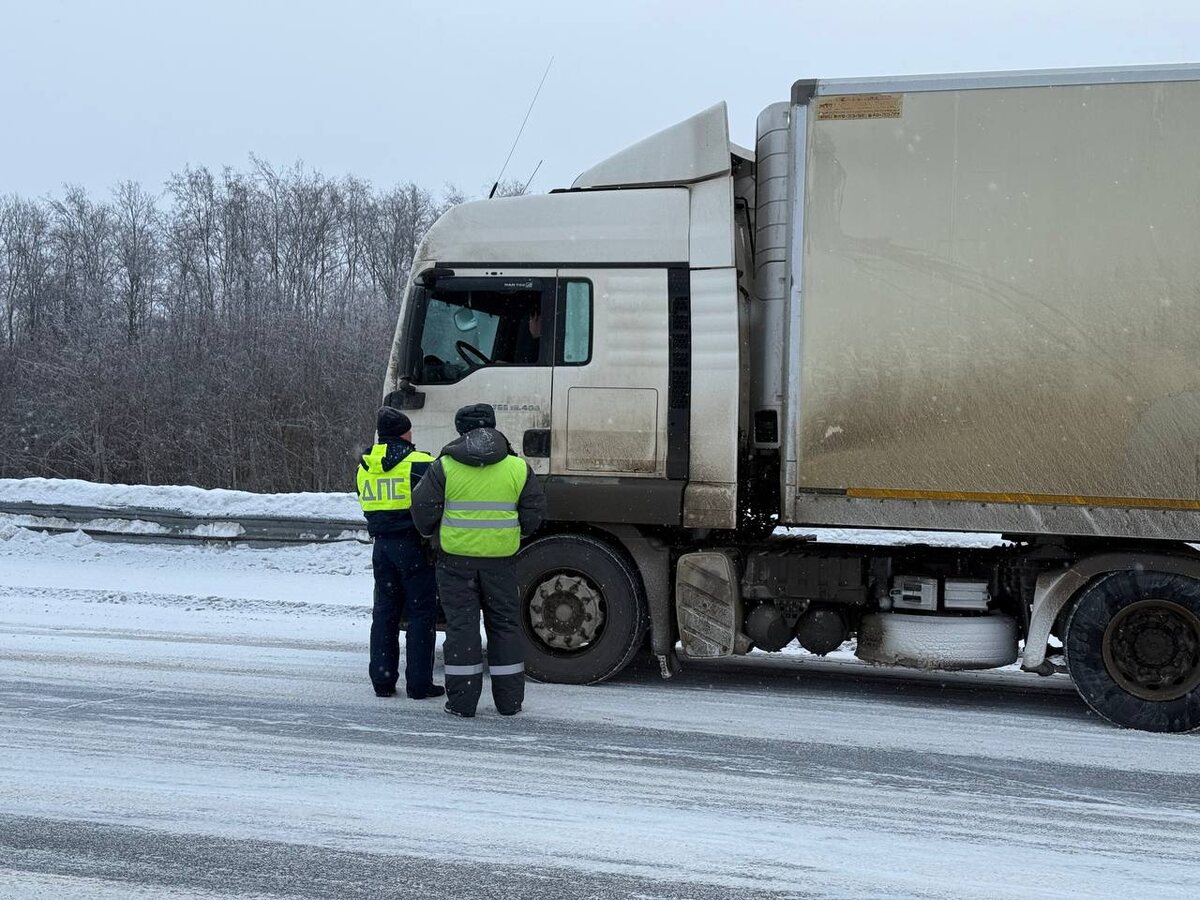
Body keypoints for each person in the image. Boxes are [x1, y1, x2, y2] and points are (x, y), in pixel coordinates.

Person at [411, 403, 545, 717]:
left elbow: (422, 508)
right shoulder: (517, 467)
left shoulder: (445, 466)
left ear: (461, 430)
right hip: (501, 562)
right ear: (494, 426)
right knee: (505, 628)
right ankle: (509, 702)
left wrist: (432, 533)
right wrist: (513, 535)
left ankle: (462, 703)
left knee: (462, 629)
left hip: (455, 562)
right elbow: (535, 513)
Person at [357, 406, 444, 700]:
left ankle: (382, 681)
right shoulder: (420, 463)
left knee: (385, 612)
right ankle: (419, 684)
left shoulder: (365, 466)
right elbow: (437, 499)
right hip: (413, 546)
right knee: (421, 613)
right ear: (406, 433)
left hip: (381, 547)